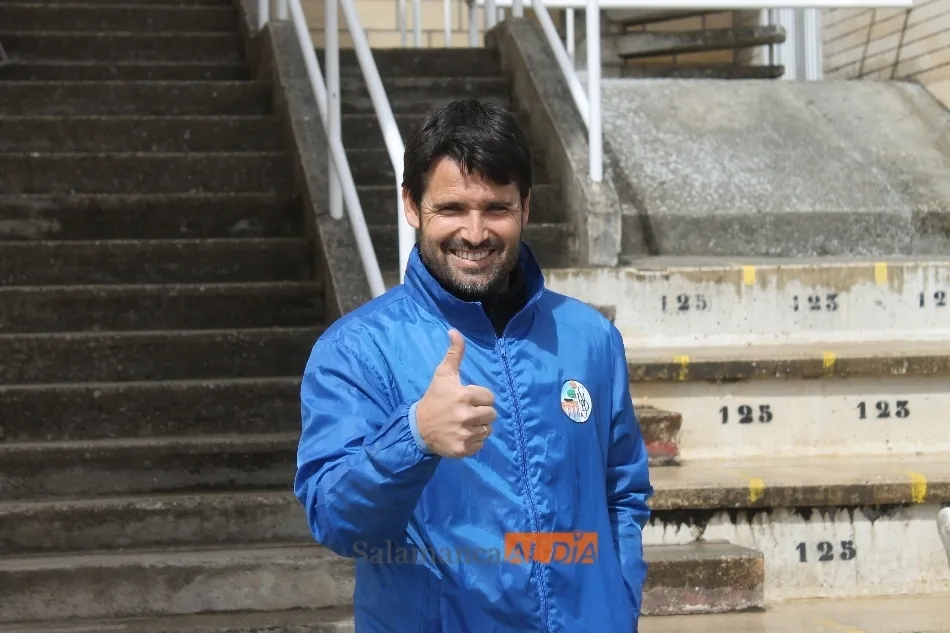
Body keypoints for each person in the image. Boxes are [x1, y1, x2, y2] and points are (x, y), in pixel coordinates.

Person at [294, 98, 654, 632]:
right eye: (452, 209)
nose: (476, 232)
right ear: (412, 206)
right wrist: (414, 437)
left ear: (526, 208)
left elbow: (623, 491)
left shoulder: (589, 339)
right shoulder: (355, 350)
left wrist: (618, 601)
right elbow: (336, 520)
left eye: (496, 208)